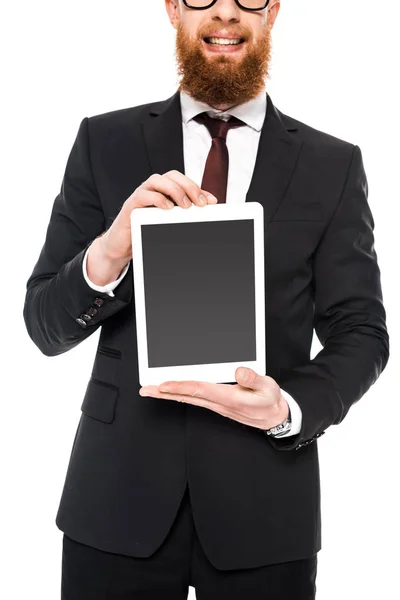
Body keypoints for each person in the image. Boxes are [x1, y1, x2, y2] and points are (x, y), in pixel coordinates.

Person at [23, 0, 390, 598]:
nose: (226, 15)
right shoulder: (104, 140)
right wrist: (111, 250)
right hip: (117, 500)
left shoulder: (333, 164)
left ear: (272, 12)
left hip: (267, 508)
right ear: (173, 9)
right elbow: (44, 327)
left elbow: (362, 332)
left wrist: (291, 408)